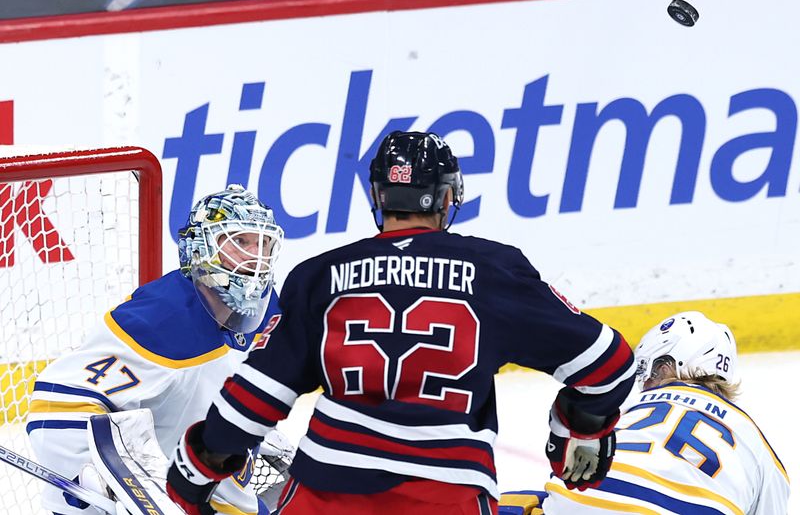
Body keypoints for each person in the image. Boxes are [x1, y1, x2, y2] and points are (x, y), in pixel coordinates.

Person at [165, 131, 636, 515]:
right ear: (449, 197)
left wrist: (200, 465)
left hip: (325, 497)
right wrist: (580, 428)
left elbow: (256, 397)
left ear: (377, 195)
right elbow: (609, 365)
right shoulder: (494, 271)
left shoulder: (320, 277)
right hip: (446, 498)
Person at [26, 184, 291, 515]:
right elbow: (55, 404)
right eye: (240, 242)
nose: (256, 258)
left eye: (264, 244)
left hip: (203, 492)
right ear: (200, 249)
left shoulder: (267, 312)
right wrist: (104, 478)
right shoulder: (162, 319)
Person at [540, 311, 790, 514]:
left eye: (647, 371)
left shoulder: (627, 411)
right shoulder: (756, 444)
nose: (645, 383)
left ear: (664, 365)